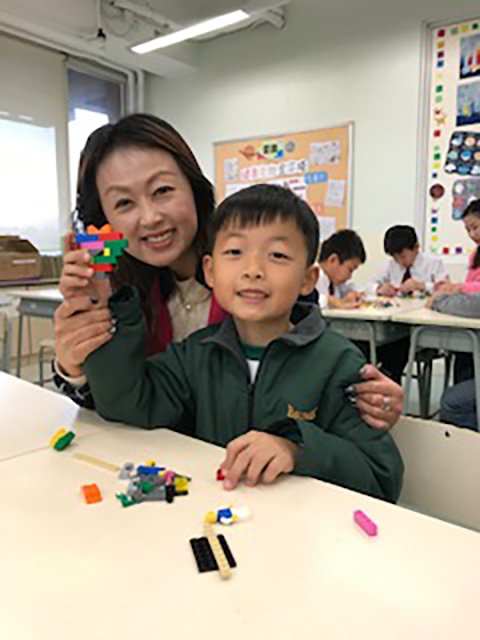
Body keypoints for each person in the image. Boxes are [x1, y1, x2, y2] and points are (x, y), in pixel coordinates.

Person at [53, 113, 403, 430]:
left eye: (162, 191)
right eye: (124, 203)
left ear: (194, 187)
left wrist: (366, 401)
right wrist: (73, 366)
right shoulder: (118, 292)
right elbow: (121, 406)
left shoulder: (258, 284)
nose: (150, 217)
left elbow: (314, 388)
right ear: (105, 221)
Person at [82, 184, 404, 501]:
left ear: (308, 280)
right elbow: (127, 401)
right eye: (235, 252)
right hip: (215, 517)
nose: (253, 270)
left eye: (278, 255)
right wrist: (105, 307)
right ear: (210, 271)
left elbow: (380, 476)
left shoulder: (337, 362)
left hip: (299, 527)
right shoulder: (197, 353)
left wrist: (297, 449)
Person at [370, 225, 449, 297]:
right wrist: (378, 288)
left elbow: (447, 289)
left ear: (416, 247)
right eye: (395, 258)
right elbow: (368, 285)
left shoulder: (433, 263)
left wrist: (422, 286)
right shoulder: (389, 265)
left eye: (403, 257)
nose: (400, 262)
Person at [316, 229, 366, 309]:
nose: (350, 276)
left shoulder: (334, 281)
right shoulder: (311, 278)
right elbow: (305, 301)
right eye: (350, 270)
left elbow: (350, 288)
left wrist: (355, 295)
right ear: (333, 260)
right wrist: (330, 301)